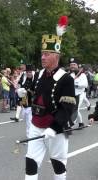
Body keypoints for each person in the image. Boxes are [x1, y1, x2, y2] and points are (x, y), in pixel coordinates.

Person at [24, 30, 76, 180]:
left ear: (56, 56)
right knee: (31, 162)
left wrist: (53, 128)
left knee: (58, 164)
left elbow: (67, 108)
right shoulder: (39, 74)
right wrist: (24, 92)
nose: (42, 57)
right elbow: (35, 92)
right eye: (42, 53)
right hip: (35, 125)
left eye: (46, 54)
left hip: (55, 128)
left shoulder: (66, 79)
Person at [69, 58, 88, 127]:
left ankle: (70, 125)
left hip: (80, 94)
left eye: (74, 64)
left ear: (77, 66)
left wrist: (75, 85)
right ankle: (81, 123)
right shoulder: (71, 75)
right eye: (71, 65)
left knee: (75, 109)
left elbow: (85, 85)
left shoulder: (82, 75)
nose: (72, 66)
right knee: (75, 109)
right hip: (72, 95)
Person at [17, 64, 35, 138]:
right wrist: (19, 89)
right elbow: (18, 85)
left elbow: (36, 92)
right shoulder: (23, 78)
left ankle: (30, 137)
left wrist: (29, 91)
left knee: (29, 122)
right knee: (25, 119)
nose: (28, 73)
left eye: (30, 72)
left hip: (32, 104)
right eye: (27, 72)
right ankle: (31, 135)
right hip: (24, 102)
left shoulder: (35, 80)